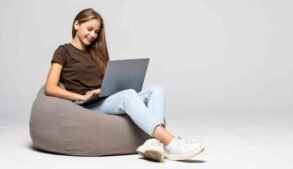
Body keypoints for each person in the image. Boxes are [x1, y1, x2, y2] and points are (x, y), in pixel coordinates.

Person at [45, 8, 204, 162]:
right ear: (77, 25)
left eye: (96, 32)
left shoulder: (96, 53)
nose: (93, 35)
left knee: (156, 90)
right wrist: (82, 96)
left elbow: (106, 81)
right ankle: (171, 142)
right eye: (90, 29)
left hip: (104, 98)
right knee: (127, 95)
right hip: (87, 104)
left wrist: (115, 86)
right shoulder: (63, 51)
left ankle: (153, 142)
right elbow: (50, 87)